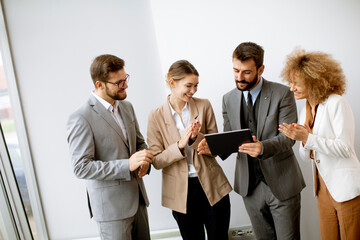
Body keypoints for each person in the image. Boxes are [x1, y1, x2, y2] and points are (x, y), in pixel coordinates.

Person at [198, 42, 305, 240]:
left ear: (261, 69)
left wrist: (263, 147)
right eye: (236, 70)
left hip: (282, 182)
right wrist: (212, 148)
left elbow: (288, 138)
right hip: (250, 188)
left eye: (246, 72)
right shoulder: (227, 98)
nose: (239, 77)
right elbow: (230, 137)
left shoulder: (283, 93)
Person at [66, 54, 154, 240]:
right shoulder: (81, 117)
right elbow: (81, 167)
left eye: (126, 79)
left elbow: (139, 143)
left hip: (138, 201)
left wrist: (144, 160)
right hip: (111, 211)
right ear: (100, 84)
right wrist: (126, 165)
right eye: (119, 83)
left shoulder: (127, 107)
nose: (126, 86)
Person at [279, 48, 360, 240]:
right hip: (322, 190)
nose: (291, 88)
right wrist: (303, 141)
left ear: (313, 79)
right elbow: (306, 157)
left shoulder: (336, 103)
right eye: (290, 82)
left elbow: (345, 148)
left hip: (345, 189)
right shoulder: (304, 110)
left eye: (296, 83)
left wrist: (308, 138)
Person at [147, 60, 232, 240]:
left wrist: (195, 138)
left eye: (196, 86)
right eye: (188, 85)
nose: (193, 91)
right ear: (172, 83)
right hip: (180, 193)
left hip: (212, 185)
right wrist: (179, 145)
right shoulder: (155, 116)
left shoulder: (204, 105)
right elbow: (156, 161)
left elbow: (216, 147)